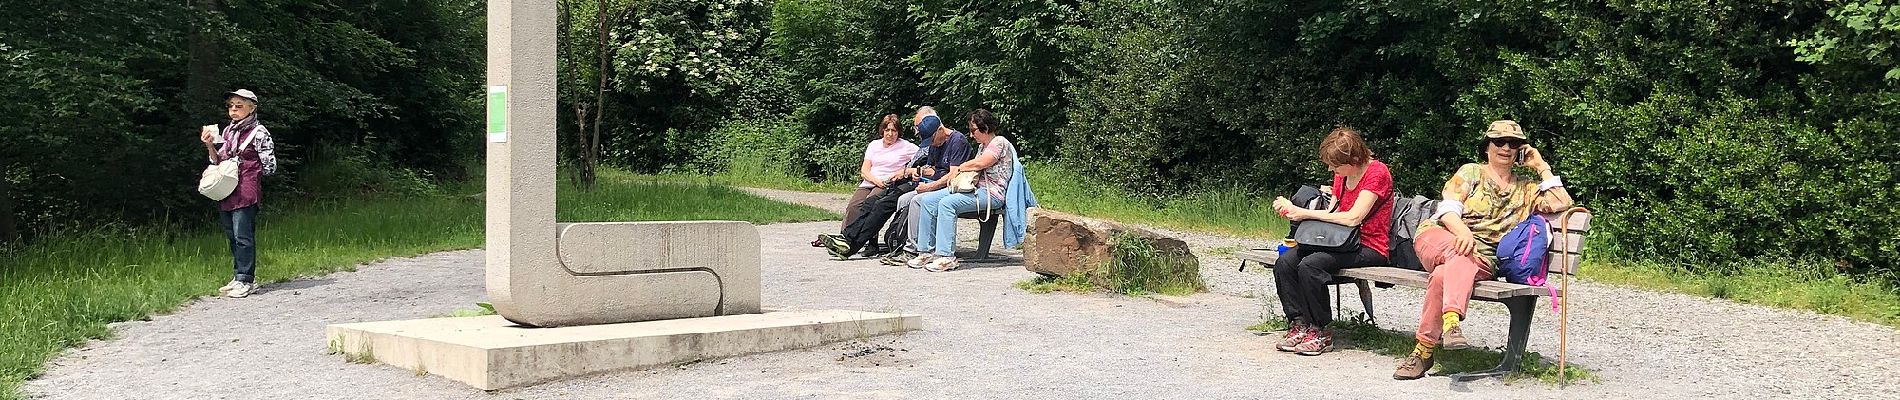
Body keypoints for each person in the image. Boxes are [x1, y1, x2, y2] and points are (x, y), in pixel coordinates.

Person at [1392, 120, 1573, 380]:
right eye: (1499, 142)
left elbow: (1562, 201)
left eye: (1514, 144)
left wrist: (1540, 165)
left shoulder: (1527, 189)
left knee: (1444, 275)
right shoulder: (1471, 173)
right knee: (1458, 252)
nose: (1506, 148)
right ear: (1486, 147)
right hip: (1442, 235)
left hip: (1480, 256)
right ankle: (1451, 322)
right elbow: (1448, 209)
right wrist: (1463, 233)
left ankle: (1423, 351)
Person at [1268, 126, 1395, 356]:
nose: (1331, 169)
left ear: (1354, 159)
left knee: (1311, 265)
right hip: (1339, 241)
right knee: (1285, 263)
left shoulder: (1377, 173)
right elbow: (1333, 210)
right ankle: (1299, 323)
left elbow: (1354, 217)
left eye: (1335, 165)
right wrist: (1294, 209)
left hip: (1368, 245)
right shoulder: (1342, 175)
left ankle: (1320, 329)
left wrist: (1304, 213)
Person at [907, 109, 1013, 272]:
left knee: (947, 204)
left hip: (992, 194)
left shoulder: (999, 142)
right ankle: (926, 251)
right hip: (975, 189)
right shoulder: (982, 146)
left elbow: (983, 163)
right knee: (928, 200)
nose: (971, 135)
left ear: (985, 128)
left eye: (973, 130)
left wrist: (960, 168)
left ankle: (946, 257)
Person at [198, 89, 278, 298]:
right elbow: (217, 161)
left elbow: (270, 166)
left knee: (243, 235)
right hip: (227, 189)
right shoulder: (227, 132)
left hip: (246, 190)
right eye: (231, 106)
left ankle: (245, 279)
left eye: (239, 105)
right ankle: (238, 276)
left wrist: (248, 169)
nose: (233, 109)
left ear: (252, 108)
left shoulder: (260, 132)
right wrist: (209, 145)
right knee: (231, 235)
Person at [876, 106, 972, 266]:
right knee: (903, 199)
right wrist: (919, 172)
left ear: (941, 130)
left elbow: (953, 174)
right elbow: (933, 168)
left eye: (933, 139)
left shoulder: (958, 141)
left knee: (917, 200)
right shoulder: (935, 143)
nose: (932, 144)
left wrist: (929, 187)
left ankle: (913, 250)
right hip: (935, 184)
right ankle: (900, 242)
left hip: (951, 187)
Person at [820, 114, 924, 258]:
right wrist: (875, 181)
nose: (890, 134)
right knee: (853, 206)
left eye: (894, 131)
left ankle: (871, 243)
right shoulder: (874, 145)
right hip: (871, 180)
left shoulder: (906, 146)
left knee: (872, 202)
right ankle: (842, 239)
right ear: (882, 130)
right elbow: (864, 170)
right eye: (887, 130)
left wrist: (908, 172)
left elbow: (923, 156)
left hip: (888, 182)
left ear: (898, 132)